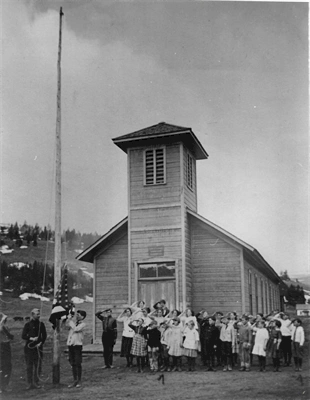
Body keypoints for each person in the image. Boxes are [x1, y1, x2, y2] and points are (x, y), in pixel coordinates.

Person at [22, 308, 47, 390]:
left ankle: (36, 382)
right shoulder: (27, 325)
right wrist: (31, 338)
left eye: (39, 314)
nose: (39, 316)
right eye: (37, 314)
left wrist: (41, 343)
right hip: (29, 348)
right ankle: (29, 383)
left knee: (37, 366)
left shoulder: (41, 324)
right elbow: (23, 336)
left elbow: (44, 336)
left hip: (38, 348)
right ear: (32, 315)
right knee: (29, 366)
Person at [66, 309, 87, 388]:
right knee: (72, 363)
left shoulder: (83, 324)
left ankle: (79, 380)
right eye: (77, 314)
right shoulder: (73, 323)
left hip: (77, 346)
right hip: (71, 345)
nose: (77, 316)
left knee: (78, 363)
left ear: (83, 317)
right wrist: (68, 319)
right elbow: (66, 327)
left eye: (79, 315)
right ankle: (75, 380)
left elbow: (76, 329)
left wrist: (71, 321)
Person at [0, 313, 14, 393]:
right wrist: (2, 318)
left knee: (8, 366)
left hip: (6, 346)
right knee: (1, 366)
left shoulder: (4, 326)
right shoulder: (1, 326)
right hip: (1, 346)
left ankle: (5, 385)